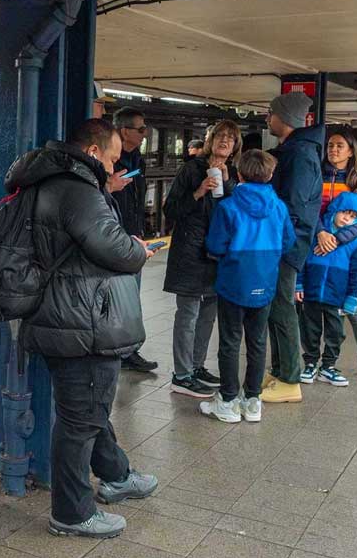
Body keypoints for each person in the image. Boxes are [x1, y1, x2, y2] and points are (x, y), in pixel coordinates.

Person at [6, 119, 157, 539]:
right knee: (80, 421)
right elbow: (113, 248)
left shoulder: (50, 180)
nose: (113, 166)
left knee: (87, 408)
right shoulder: (78, 189)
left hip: (62, 313)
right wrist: (137, 250)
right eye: (111, 158)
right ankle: (71, 513)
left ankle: (117, 475)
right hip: (82, 319)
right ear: (93, 152)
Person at [202, 150, 293, 423]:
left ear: (239, 174)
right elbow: (288, 242)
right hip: (265, 283)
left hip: (233, 283)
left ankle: (228, 401)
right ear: (270, 174)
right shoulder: (279, 207)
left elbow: (215, 245)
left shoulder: (228, 207)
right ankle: (253, 401)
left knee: (230, 342)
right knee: (258, 341)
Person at [161, 120, 241, 397]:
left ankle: (196, 366)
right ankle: (181, 375)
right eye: (220, 136)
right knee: (188, 313)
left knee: (208, 313)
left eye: (231, 138)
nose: (225, 141)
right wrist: (199, 191)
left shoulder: (233, 174)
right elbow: (170, 209)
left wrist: (228, 183)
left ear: (235, 146)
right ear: (210, 140)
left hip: (217, 253)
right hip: (190, 251)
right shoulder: (191, 169)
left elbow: (235, 210)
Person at [264, 92, 324, 404]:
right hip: (285, 241)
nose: (267, 118)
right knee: (276, 307)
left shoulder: (300, 154)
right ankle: (279, 371)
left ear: (284, 117)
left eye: (271, 113)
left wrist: (277, 239)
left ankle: (290, 378)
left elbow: (295, 206)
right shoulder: (296, 150)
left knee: (283, 307)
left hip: (286, 243)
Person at [314, 132, 357, 380]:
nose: (334, 149)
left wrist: (337, 240)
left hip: (343, 246)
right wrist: (321, 233)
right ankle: (311, 361)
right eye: (330, 145)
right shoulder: (316, 174)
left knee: (352, 305)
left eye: (340, 146)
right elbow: (309, 207)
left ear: (351, 151)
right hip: (317, 241)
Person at [297, 192, 357, 387]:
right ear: (335, 209)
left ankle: (328, 367)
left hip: (337, 298)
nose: (347, 218)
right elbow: (301, 262)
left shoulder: (355, 244)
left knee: (335, 333)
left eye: (353, 216)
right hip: (311, 294)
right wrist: (299, 284)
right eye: (345, 212)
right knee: (309, 331)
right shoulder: (316, 236)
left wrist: (352, 297)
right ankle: (310, 364)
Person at [109, 107, 159, 372]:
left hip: (132, 237)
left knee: (130, 297)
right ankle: (114, 350)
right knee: (114, 297)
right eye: (140, 129)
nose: (144, 133)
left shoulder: (137, 160)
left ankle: (128, 351)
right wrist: (108, 186)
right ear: (124, 131)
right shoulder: (109, 163)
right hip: (112, 238)